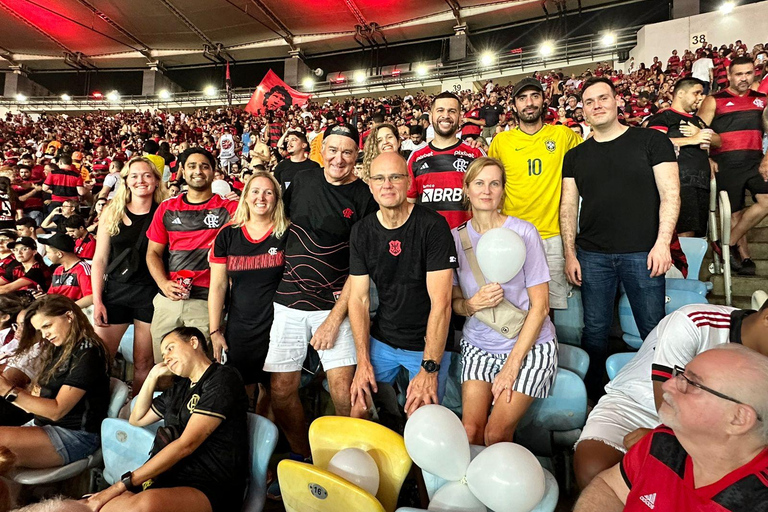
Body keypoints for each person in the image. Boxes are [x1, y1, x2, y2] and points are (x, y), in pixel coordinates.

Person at [561, 77, 680, 401]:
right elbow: (568, 207)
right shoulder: (575, 156)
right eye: (589, 101)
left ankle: (660, 398)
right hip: (592, 255)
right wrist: (570, 254)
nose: (596, 105)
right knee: (595, 331)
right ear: (582, 110)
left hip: (643, 253)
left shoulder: (651, 142)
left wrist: (662, 243)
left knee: (652, 330)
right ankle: (595, 398)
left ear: (617, 102)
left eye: (602, 98)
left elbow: (671, 194)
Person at [265, 123, 378, 462]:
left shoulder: (364, 199)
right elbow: (268, 218)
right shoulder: (301, 181)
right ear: (321, 151)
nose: (338, 159)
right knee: (281, 392)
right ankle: (305, 456)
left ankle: (349, 463)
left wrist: (333, 319)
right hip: (288, 301)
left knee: (347, 394)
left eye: (347, 152)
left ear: (356, 156)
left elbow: (361, 273)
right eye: (332, 150)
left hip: (335, 305)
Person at [573, 301, 768, 489]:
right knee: (594, 468)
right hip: (637, 404)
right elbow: (668, 396)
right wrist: (664, 439)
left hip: (711, 424)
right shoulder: (693, 322)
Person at [574, 344, 768, 512]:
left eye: (691, 384)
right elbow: (611, 488)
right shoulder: (664, 440)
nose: (667, 385)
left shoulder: (758, 499)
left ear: (738, 418)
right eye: (680, 375)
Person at [447, 157, 557, 445]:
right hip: (478, 344)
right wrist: (471, 305)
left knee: (495, 434)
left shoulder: (524, 232)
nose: (487, 190)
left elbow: (541, 306)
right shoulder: (455, 239)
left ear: (502, 190)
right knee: (470, 431)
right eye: (480, 183)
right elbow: (455, 302)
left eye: (494, 183)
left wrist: (511, 365)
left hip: (528, 345)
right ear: (466, 189)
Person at [84, 327, 249, 512]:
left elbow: (186, 444)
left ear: (193, 342)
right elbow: (136, 419)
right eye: (163, 354)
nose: (167, 357)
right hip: (174, 473)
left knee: (140, 506)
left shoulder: (222, 378)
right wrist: (152, 376)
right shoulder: (180, 388)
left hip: (211, 483)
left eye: (170, 348)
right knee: (105, 507)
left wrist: (121, 484)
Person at [348, 152, 457, 418]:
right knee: (358, 410)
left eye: (395, 177)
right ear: (370, 185)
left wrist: (429, 369)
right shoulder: (362, 231)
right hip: (383, 340)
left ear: (408, 182)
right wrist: (363, 362)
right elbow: (359, 299)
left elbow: (441, 304)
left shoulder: (433, 226)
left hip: (425, 345)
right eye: (380, 178)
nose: (387, 184)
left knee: (421, 419)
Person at [488, 77, 582, 313]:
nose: (529, 103)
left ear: (544, 100)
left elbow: (594, 155)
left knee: (548, 309)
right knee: (511, 306)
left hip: (551, 235)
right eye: (522, 98)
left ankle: (546, 350)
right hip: (511, 235)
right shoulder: (501, 141)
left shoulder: (563, 136)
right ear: (514, 106)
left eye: (534, 96)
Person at [0, 295, 110, 476]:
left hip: (75, 437)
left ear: (69, 316)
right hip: (44, 425)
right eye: (40, 330)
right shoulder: (59, 348)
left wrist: (9, 391)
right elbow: (39, 394)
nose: (45, 335)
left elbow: (57, 410)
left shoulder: (89, 353)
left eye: (47, 326)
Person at [146, 148, 237, 363]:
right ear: (182, 172)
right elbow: (153, 253)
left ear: (214, 172)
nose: (199, 171)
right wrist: (164, 283)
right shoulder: (167, 208)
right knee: (165, 368)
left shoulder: (230, 208)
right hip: (169, 300)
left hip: (206, 303)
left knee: (203, 370)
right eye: (192, 166)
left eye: (205, 166)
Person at [208, 172, 288, 410]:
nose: (260, 197)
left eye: (268, 192)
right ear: (245, 196)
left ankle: (268, 442)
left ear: (276, 199)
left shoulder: (286, 234)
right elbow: (218, 286)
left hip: (278, 326)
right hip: (240, 326)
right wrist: (214, 330)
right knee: (241, 390)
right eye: (255, 191)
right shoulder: (228, 234)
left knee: (274, 391)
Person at [91, 156, 166, 394]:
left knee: (144, 363)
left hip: (151, 295)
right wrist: (97, 300)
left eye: (147, 175)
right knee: (99, 360)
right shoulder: (111, 212)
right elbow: (99, 259)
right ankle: (95, 413)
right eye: (134, 175)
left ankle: (133, 415)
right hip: (116, 291)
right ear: (125, 181)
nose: (140, 180)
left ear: (156, 180)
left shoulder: (166, 212)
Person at [698, 56, 768, 275]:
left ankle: (725, 243)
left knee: (766, 202)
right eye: (739, 74)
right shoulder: (714, 100)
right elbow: (699, 131)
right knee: (735, 213)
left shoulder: (762, 99)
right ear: (729, 76)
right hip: (725, 163)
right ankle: (745, 257)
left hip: (755, 161)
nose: (744, 78)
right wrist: (706, 158)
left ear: (754, 73)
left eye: (748, 73)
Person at [647, 77, 719, 238]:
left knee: (698, 234)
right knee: (684, 233)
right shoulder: (663, 116)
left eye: (702, 93)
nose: (700, 97)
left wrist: (700, 135)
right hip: (679, 182)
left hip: (701, 182)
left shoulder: (697, 121)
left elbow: (718, 140)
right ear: (680, 93)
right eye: (696, 93)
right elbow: (653, 144)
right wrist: (692, 139)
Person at [407, 92, 485, 230]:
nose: (446, 115)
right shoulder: (415, 158)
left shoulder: (476, 154)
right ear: (431, 117)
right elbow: (407, 206)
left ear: (460, 118)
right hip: (429, 243)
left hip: (468, 244)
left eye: (452, 111)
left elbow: (489, 203)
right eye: (440, 110)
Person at [41, 233, 92, 308]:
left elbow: (91, 297)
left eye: (48, 252)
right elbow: (51, 296)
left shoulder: (83, 269)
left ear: (59, 254)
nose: (46, 255)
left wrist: (66, 309)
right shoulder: (58, 270)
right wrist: (42, 295)